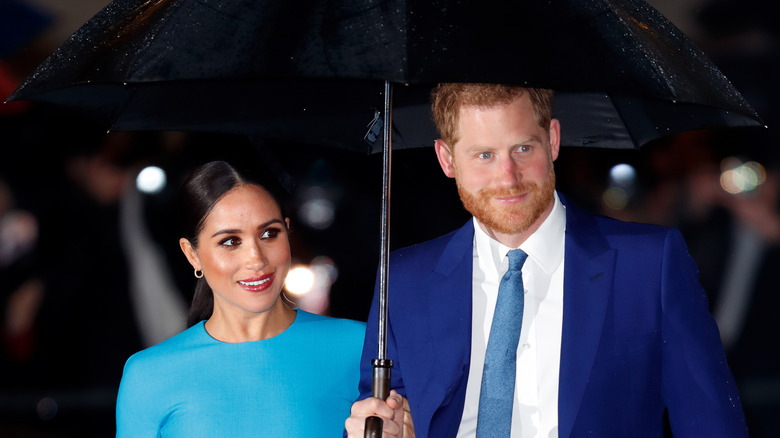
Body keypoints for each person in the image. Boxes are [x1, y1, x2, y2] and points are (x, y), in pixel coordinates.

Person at [345, 84, 747, 437]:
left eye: (522, 148)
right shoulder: (404, 280)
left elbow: (710, 422)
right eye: (484, 155)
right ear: (447, 159)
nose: (508, 177)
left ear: (552, 139)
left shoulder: (648, 264)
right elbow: (379, 417)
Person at [116, 160, 365, 437]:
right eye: (231, 241)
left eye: (269, 234)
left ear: (288, 231)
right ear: (192, 254)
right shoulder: (148, 376)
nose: (256, 259)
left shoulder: (361, 347)